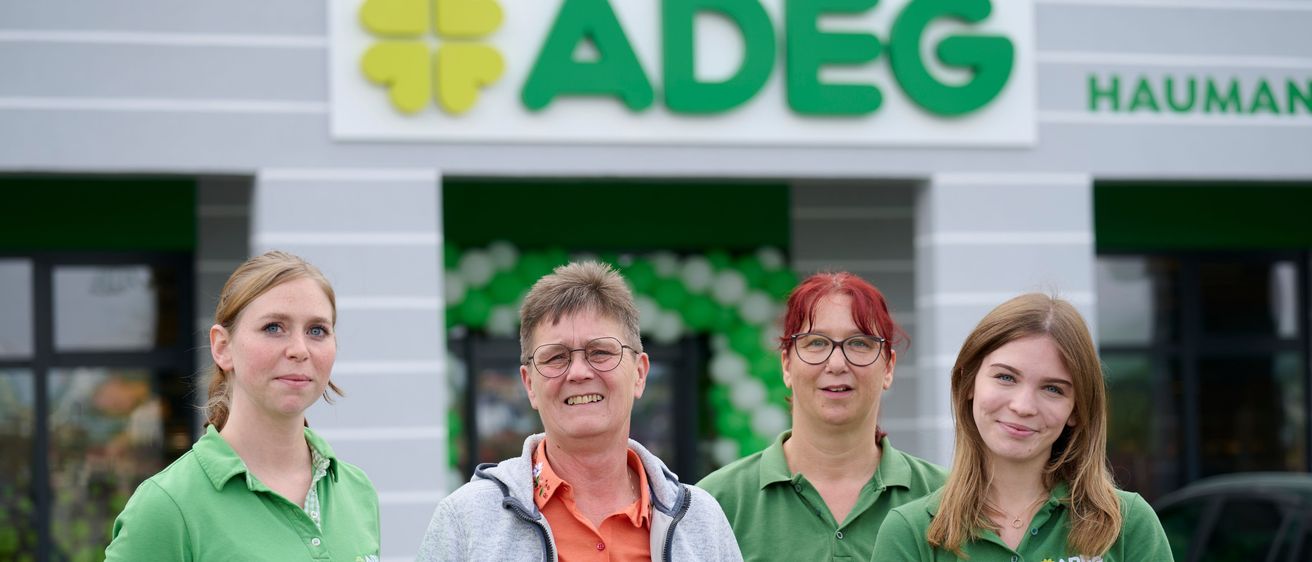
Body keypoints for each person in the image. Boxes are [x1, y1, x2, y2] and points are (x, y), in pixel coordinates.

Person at [418, 261, 741, 561]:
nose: (578, 372)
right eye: (556, 357)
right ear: (530, 384)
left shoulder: (702, 521)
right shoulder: (466, 520)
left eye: (600, 352)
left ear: (639, 374)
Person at [105, 251, 380, 561]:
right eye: (274, 327)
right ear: (223, 347)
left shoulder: (357, 491)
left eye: (317, 330)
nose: (299, 350)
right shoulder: (167, 506)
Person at [870, 293, 1171, 561]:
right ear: (969, 382)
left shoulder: (1128, 524)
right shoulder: (910, 532)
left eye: (1053, 389)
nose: (1023, 406)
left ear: (1076, 410)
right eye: (1006, 378)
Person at [698, 272, 946, 561]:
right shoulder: (717, 501)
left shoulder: (947, 498)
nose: (837, 363)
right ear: (786, 365)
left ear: (888, 368)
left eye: (859, 343)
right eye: (816, 343)